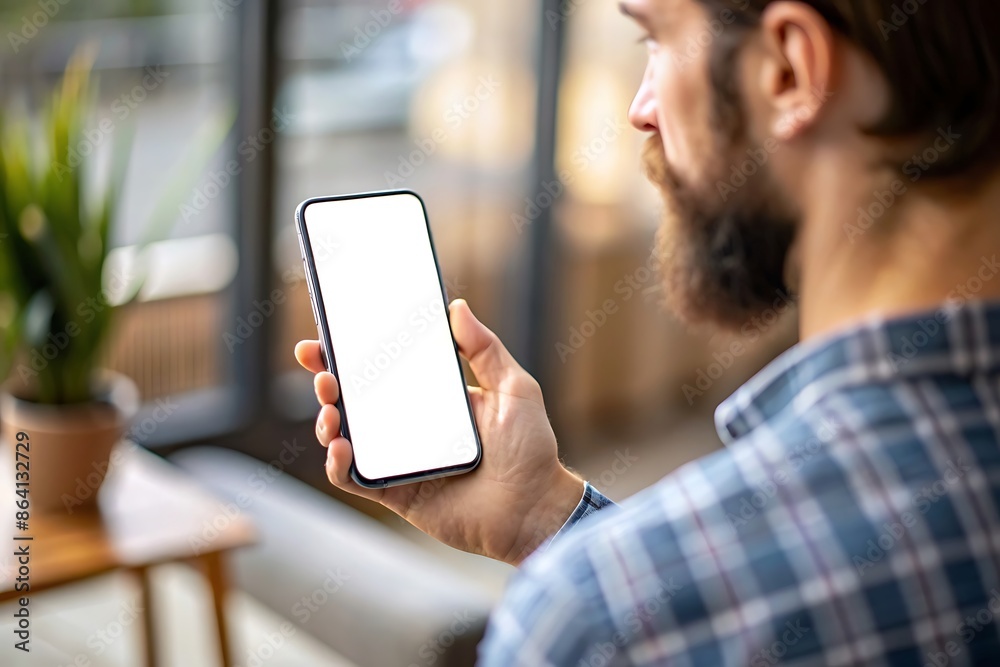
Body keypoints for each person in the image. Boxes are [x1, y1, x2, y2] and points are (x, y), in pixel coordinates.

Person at [295, 0, 1000, 663]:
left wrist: (596, 585)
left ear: (789, 70)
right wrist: (549, 515)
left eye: (656, 38)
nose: (640, 109)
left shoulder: (589, 624)